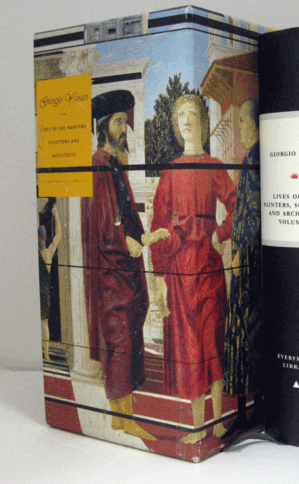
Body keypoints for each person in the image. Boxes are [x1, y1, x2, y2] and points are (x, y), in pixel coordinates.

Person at [81, 90, 169, 441]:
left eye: (123, 122)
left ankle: (119, 418)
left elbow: (125, 216)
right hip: (110, 274)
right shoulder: (97, 164)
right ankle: (126, 419)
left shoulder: (114, 164)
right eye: (117, 122)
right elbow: (104, 223)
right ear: (104, 127)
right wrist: (126, 241)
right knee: (119, 344)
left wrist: (145, 237)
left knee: (126, 339)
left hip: (124, 271)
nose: (123, 129)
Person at [150, 94, 236, 443]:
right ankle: (198, 427)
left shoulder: (214, 165)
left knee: (211, 340)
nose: (186, 120)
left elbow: (236, 204)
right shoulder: (170, 171)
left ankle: (217, 421)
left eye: (192, 114)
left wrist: (220, 233)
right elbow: (158, 223)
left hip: (209, 268)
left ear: (202, 121)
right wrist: (159, 277)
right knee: (190, 349)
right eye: (181, 115)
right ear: (176, 124)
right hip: (181, 272)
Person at [222, 99, 263, 437]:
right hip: (247, 261)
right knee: (245, 333)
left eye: (242, 122)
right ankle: (247, 411)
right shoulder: (253, 157)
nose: (240, 129)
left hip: (249, 264)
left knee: (247, 333)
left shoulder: (255, 158)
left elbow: (253, 214)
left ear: (255, 124)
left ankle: (250, 412)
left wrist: (238, 255)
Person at [39, 204, 62, 361]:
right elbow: (58, 235)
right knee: (44, 323)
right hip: (43, 292)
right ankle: (46, 355)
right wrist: (56, 215)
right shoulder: (48, 253)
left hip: (36, 291)